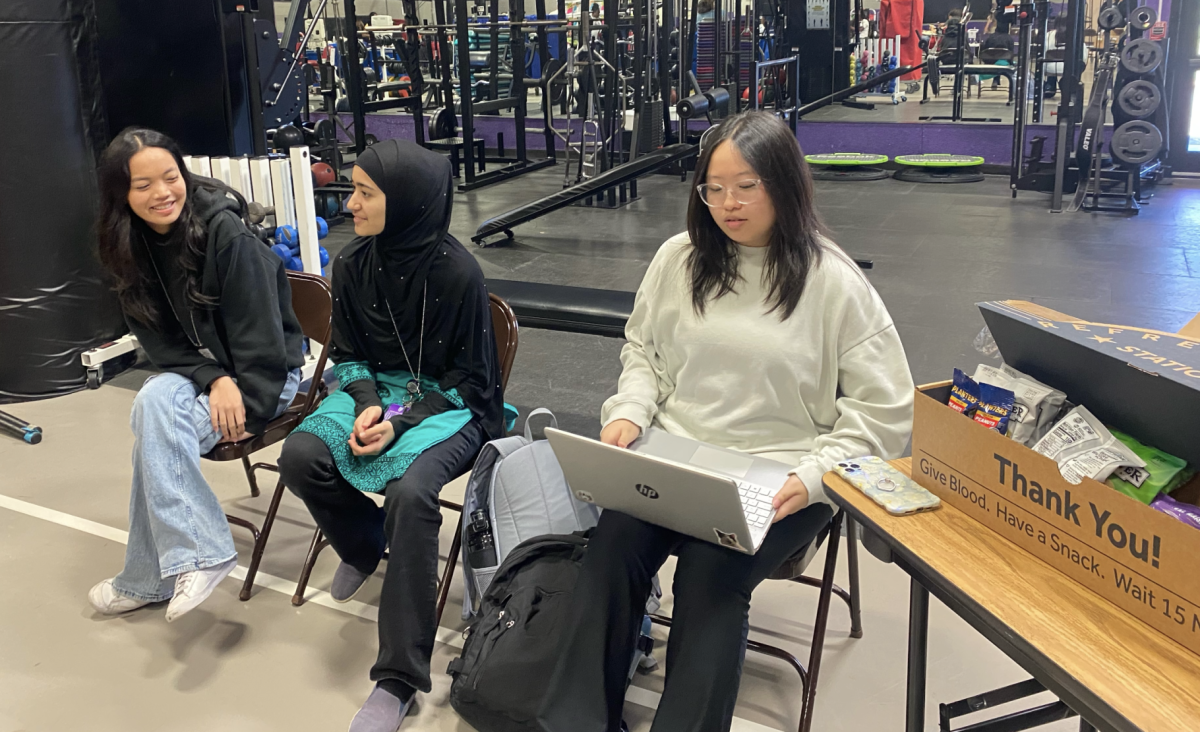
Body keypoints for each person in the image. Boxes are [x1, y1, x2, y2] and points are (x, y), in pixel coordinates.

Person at [536, 111, 915, 732]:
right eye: (713, 188)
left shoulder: (834, 284)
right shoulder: (679, 259)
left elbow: (882, 412)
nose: (728, 204)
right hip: (676, 458)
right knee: (610, 553)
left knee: (711, 577)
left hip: (783, 478)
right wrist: (630, 411)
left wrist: (814, 477)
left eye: (747, 186)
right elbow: (644, 353)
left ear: (785, 185)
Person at [277, 140, 507, 732]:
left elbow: (469, 383)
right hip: (379, 392)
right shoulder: (353, 266)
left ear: (405, 202)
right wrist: (370, 405)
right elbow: (349, 356)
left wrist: (398, 418)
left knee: (410, 492)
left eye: (365, 193)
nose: (350, 203)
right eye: (352, 189)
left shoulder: (458, 273)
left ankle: (399, 678)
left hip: (453, 404)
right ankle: (360, 542)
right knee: (300, 455)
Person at [88, 128, 305, 622]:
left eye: (171, 177)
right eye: (143, 185)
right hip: (208, 376)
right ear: (120, 194)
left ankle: (157, 573)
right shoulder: (127, 241)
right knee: (154, 402)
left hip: (265, 375)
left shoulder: (226, 234)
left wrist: (244, 393)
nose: (162, 193)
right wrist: (212, 377)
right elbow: (157, 339)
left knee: (155, 419)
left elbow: (265, 343)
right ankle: (196, 556)